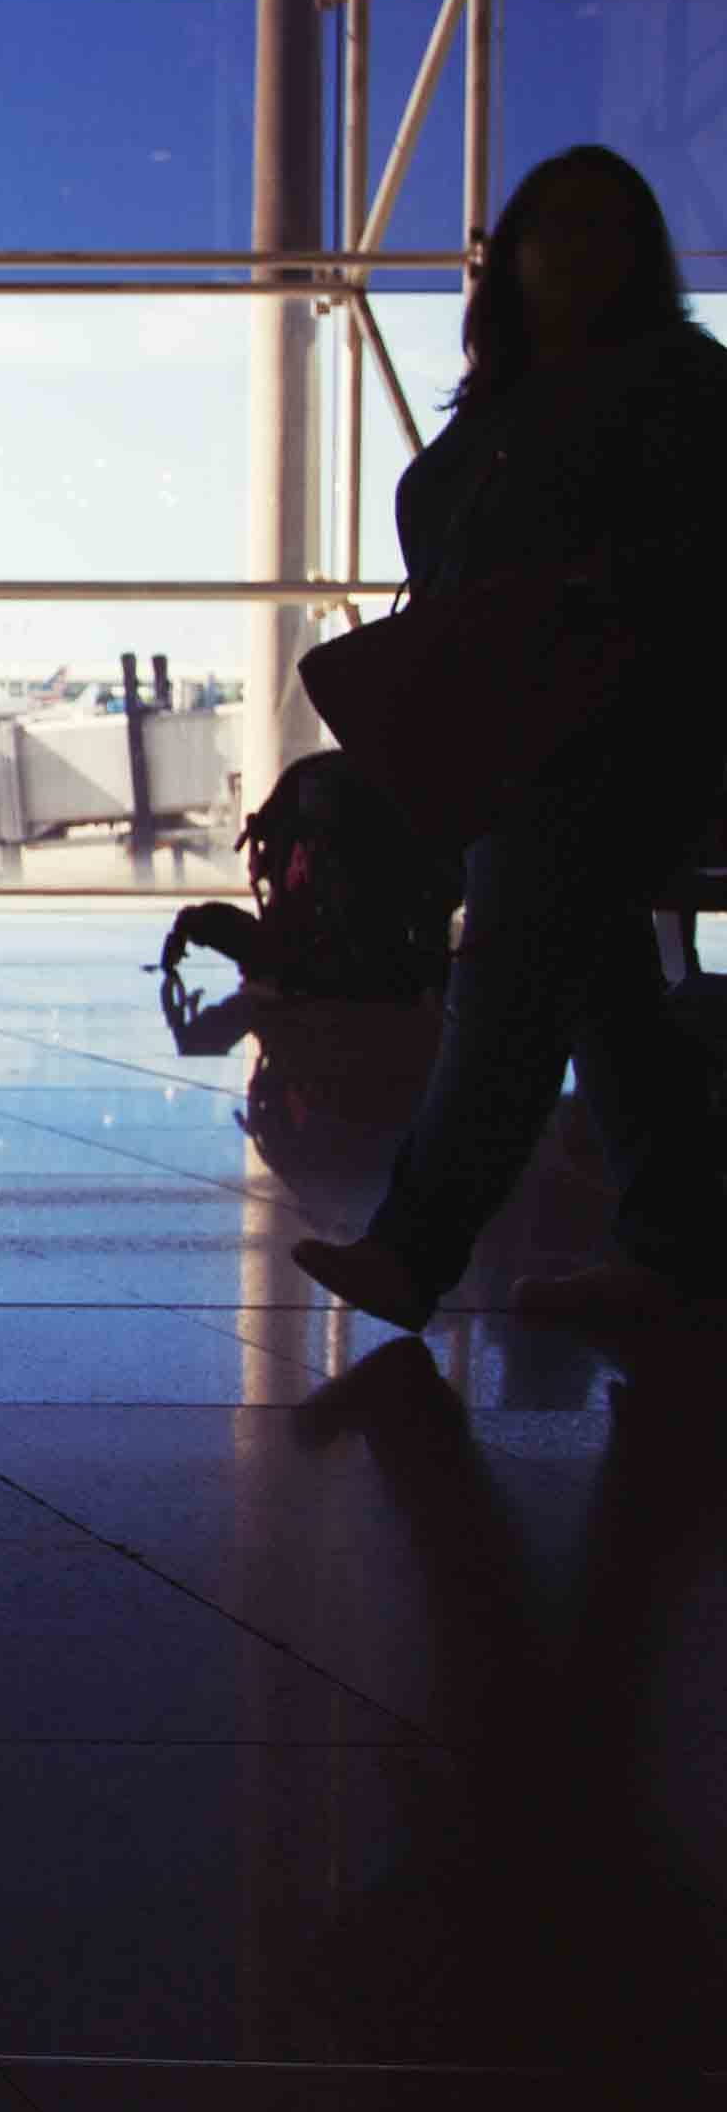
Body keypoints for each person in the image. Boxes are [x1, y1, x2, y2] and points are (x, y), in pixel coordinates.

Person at [293, 146, 727, 1329]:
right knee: (598, 992)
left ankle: (412, 1246)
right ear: (511, 254)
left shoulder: (670, 386)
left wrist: (585, 587)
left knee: (510, 979)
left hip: (609, 733)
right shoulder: (520, 397)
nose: (577, 249)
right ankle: (677, 1250)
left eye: (603, 228)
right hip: (533, 732)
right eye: (556, 227)